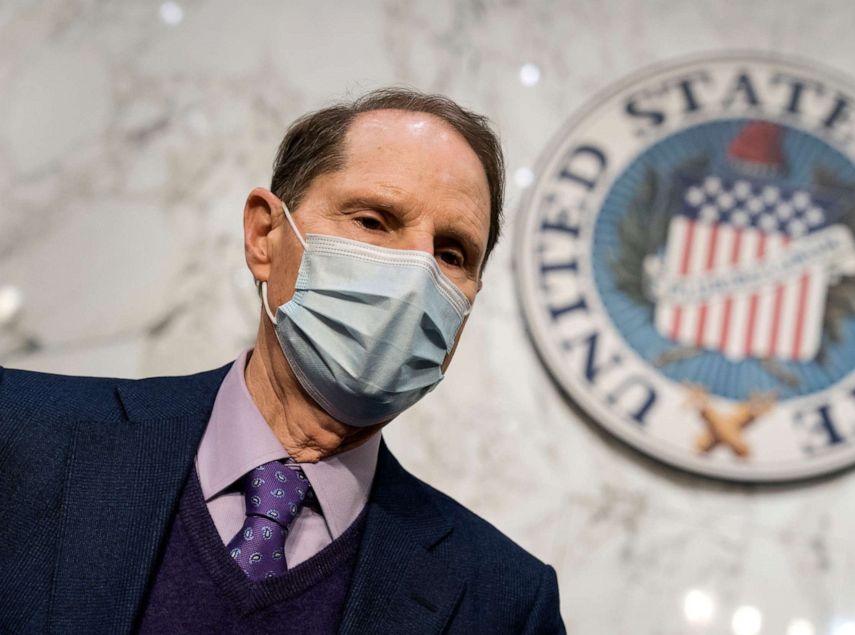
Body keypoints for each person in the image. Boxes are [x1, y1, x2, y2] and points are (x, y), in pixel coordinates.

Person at [0, 88, 566, 634]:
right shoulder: (20, 433)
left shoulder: (502, 602)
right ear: (264, 235)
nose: (418, 277)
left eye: (451, 253)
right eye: (372, 221)